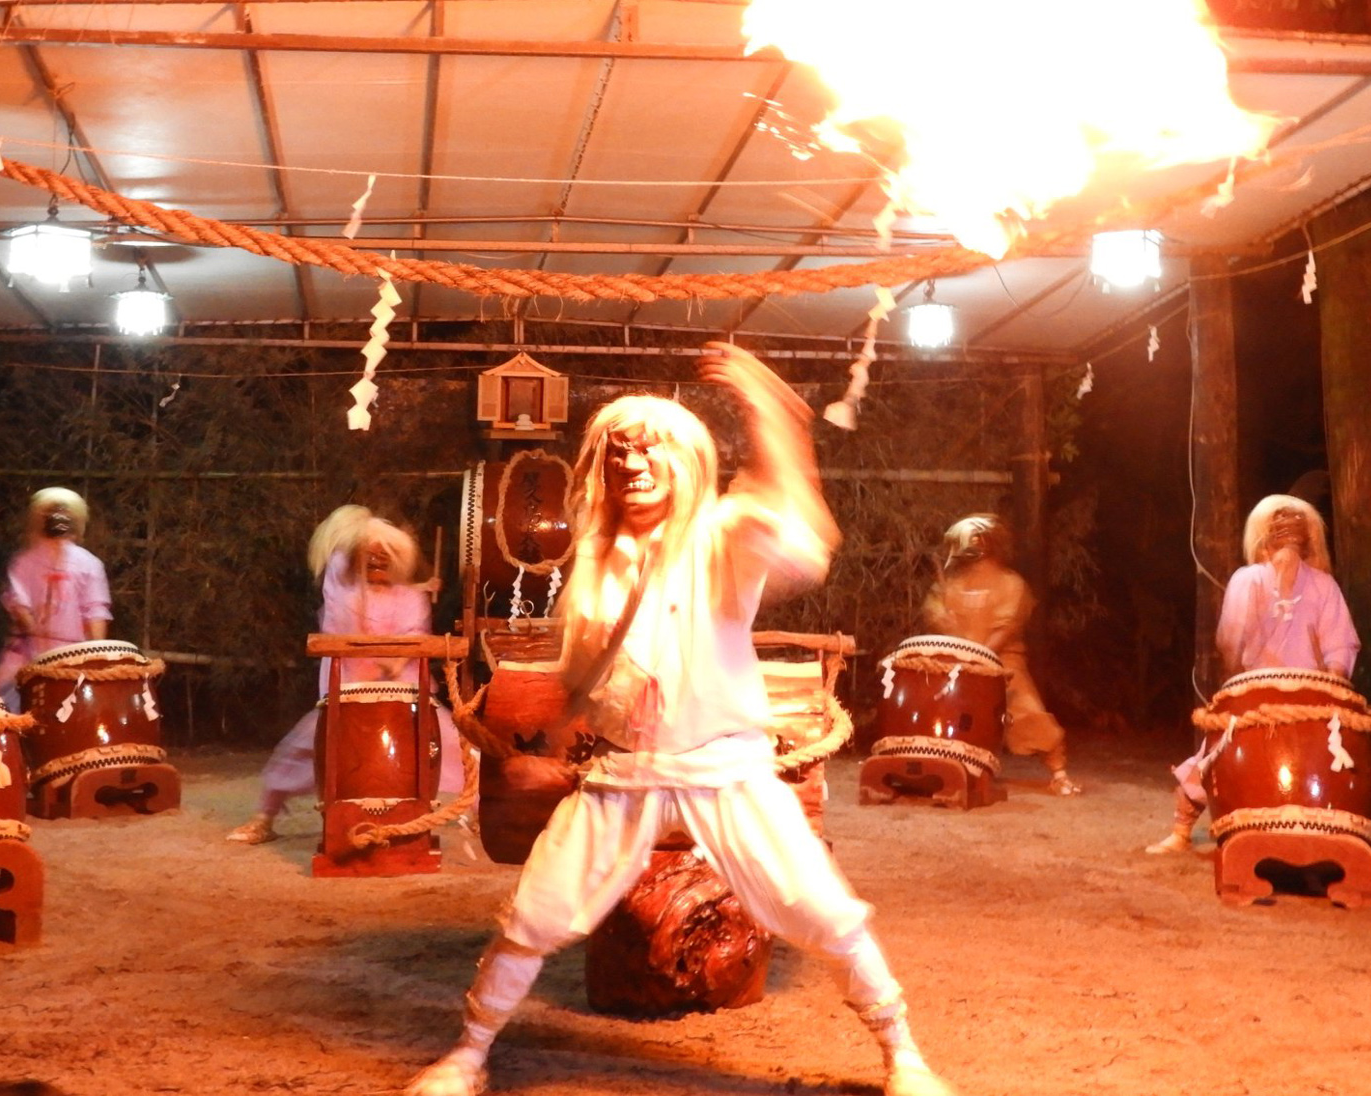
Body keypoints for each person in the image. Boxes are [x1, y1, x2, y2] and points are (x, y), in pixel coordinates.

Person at [406, 343, 956, 1096]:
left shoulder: (718, 539)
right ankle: (466, 1056)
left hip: (725, 767)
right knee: (533, 916)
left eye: (653, 448)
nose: (634, 464)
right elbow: (586, 679)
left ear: (689, 461)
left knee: (822, 910)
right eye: (619, 451)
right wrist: (554, 748)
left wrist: (769, 412)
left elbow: (794, 532)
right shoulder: (594, 560)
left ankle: (905, 1058)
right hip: (622, 772)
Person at [1144, 494, 1371, 876]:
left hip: (1313, 701)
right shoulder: (1249, 581)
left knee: (1370, 768)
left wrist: (1330, 687)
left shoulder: (1322, 586)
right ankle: (1181, 832)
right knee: (1211, 759)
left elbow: (1338, 650)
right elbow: (1234, 641)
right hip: (1259, 699)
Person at [227, 507, 457, 844]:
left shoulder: (410, 597)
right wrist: (353, 538)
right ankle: (264, 818)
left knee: (450, 748)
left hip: (406, 700)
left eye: (386, 556)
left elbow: (415, 635)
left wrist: (396, 660)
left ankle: (480, 812)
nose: (378, 562)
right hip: (347, 696)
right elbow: (337, 578)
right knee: (306, 750)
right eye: (370, 556)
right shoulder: (344, 593)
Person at [921, 513, 1080, 795]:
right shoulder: (951, 584)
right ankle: (941, 771)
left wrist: (978, 657)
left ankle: (1059, 773)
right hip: (955, 662)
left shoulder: (1011, 583)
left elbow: (1005, 629)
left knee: (1028, 713)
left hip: (1002, 663)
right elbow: (937, 617)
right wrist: (945, 622)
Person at [0, 488, 110, 711]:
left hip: (60, 657)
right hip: (42, 655)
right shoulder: (87, 564)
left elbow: (21, 609)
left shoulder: (26, 561)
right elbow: (96, 615)